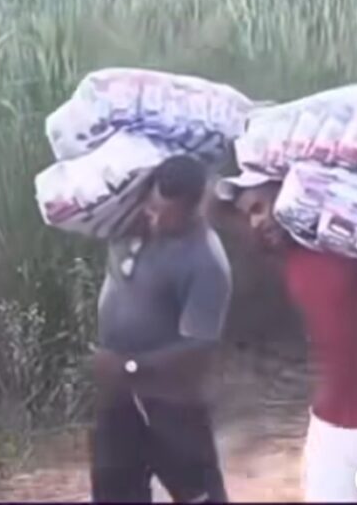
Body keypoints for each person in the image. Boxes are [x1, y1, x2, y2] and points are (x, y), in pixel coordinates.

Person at [216, 169, 357, 504]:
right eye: (248, 214)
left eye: (259, 208)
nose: (254, 223)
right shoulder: (290, 256)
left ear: (294, 193)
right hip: (332, 422)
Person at [90, 153, 233, 504]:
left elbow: (200, 351)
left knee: (199, 496)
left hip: (172, 408)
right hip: (117, 399)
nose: (152, 219)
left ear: (193, 206)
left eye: (164, 214)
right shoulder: (127, 221)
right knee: (114, 493)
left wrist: (130, 367)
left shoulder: (205, 262)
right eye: (151, 208)